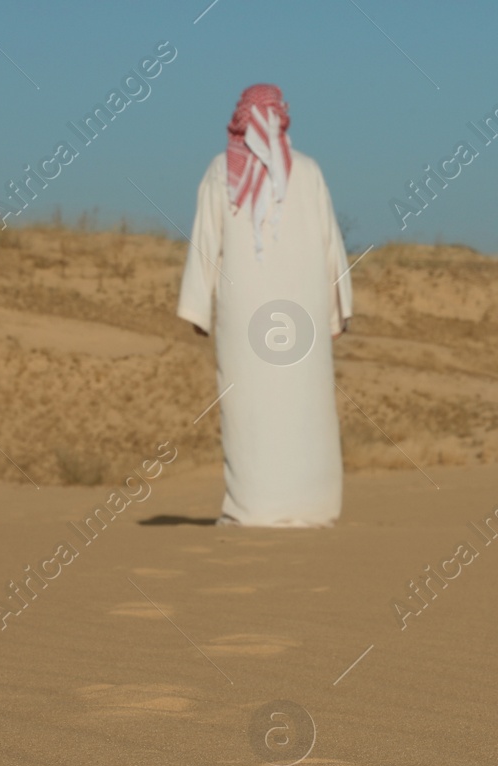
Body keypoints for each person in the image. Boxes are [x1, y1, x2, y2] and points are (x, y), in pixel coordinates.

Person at [177, 84, 353, 526]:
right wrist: (336, 311)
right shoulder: (301, 171)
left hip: (254, 313)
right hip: (297, 313)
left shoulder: (228, 170)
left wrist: (197, 308)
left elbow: (204, 244)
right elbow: (335, 244)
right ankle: (302, 507)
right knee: (258, 408)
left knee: (280, 408)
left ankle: (269, 507)